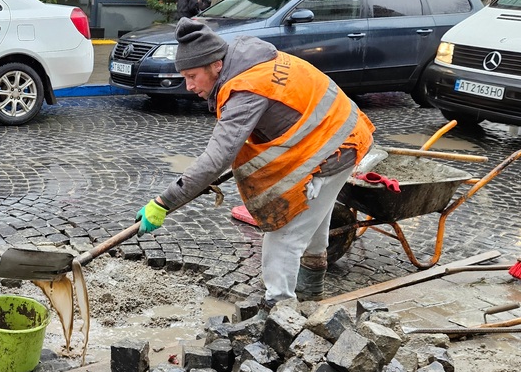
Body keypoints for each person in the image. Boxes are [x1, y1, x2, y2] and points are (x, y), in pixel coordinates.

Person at [134, 19, 374, 307]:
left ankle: (280, 313)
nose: (189, 86)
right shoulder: (244, 59)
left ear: (216, 65)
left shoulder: (247, 89)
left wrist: (163, 202)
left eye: (192, 75)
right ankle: (313, 299)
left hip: (334, 146)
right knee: (314, 222)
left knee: (284, 234)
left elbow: (215, 160)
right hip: (338, 133)